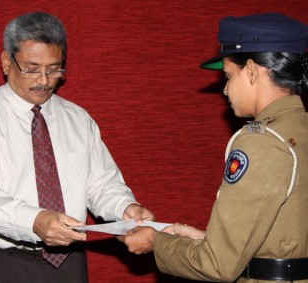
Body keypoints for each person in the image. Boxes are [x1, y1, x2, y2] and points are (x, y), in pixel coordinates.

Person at [119, 12, 308, 282]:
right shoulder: (298, 130)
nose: (226, 90)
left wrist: (156, 243)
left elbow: (217, 265)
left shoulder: (261, 142)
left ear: (252, 70)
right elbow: (287, 235)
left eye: (228, 76)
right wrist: (206, 240)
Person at [0, 11, 154, 283]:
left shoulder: (78, 118)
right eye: (32, 68)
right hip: (0, 263)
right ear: (7, 62)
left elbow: (101, 184)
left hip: (69, 261)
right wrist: (35, 220)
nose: (44, 80)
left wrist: (124, 208)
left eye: (54, 68)